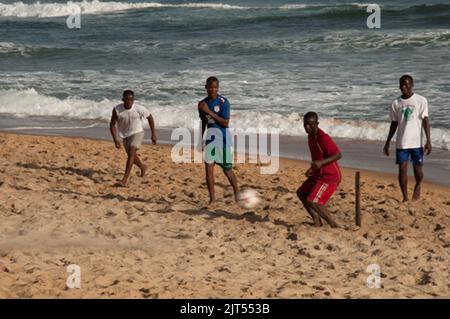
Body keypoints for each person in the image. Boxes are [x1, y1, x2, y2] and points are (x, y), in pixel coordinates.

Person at [383, 75, 431, 202]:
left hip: (417, 142)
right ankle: (405, 197)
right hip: (402, 143)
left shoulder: (421, 100)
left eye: (406, 84)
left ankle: (418, 184)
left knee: (418, 171)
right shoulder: (395, 103)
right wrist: (387, 142)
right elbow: (394, 123)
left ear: (412, 85)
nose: (403, 87)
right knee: (402, 170)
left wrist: (428, 141)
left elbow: (425, 121)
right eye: (401, 85)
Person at [198, 77, 239, 205]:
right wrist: (201, 139)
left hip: (224, 141)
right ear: (206, 87)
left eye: (215, 87)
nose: (213, 90)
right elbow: (204, 121)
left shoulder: (223, 102)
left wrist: (209, 111)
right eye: (210, 87)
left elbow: (225, 123)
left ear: (218, 88)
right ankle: (212, 199)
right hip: (210, 140)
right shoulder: (202, 104)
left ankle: (237, 193)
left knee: (227, 171)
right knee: (208, 168)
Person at [296, 112, 342, 228]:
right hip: (318, 174)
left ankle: (333, 225)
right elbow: (318, 157)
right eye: (305, 124)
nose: (307, 127)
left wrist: (321, 163)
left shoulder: (323, 138)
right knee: (301, 193)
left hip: (330, 176)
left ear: (317, 124)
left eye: (310, 125)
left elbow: (338, 154)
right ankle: (316, 220)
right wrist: (312, 169)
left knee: (313, 200)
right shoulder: (311, 136)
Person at [110, 90, 157, 187]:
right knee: (132, 156)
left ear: (133, 100)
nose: (129, 102)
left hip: (137, 132)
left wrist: (153, 134)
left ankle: (124, 180)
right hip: (125, 135)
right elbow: (112, 125)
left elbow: (150, 117)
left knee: (131, 152)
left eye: (131, 100)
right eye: (127, 100)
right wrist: (115, 139)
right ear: (123, 99)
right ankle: (142, 167)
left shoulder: (139, 108)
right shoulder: (117, 109)